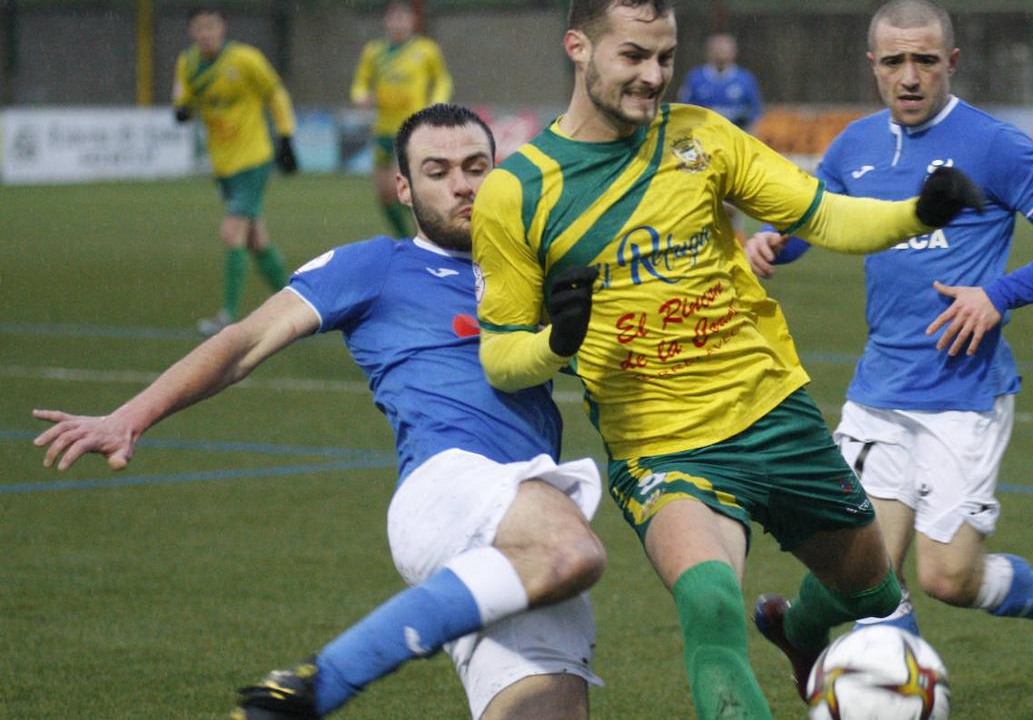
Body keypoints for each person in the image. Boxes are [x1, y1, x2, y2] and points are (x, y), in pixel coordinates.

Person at [470, 0, 981, 719]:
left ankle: (800, 628)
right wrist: (557, 341)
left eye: (664, 58)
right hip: (662, 445)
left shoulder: (702, 139)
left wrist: (918, 213)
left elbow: (823, 216)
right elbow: (501, 356)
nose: (653, 77)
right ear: (578, 48)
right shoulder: (518, 190)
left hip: (773, 413)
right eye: (633, 56)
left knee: (869, 591)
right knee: (708, 601)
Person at [33, 105, 606, 720]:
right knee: (573, 553)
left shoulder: (533, 271)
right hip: (452, 485)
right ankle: (322, 681)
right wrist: (130, 417)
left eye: (476, 167)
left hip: (524, 513)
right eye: (437, 171)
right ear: (404, 189)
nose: (462, 185)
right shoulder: (376, 266)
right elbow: (243, 343)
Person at [745, 0, 1033, 698]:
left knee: (949, 578)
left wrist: (996, 296)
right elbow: (816, 219)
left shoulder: (995, 145)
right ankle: (863, 673)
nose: (909, 76)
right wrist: (774, 242)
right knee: (869, 575)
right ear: (873, 67)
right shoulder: (853, 145)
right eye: (894, 62)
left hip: (964, 394)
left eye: (923, 60)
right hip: (880, 389)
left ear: (951, 62)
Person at [173, 7, 300, 337]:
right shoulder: (187, 63)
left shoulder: (245, 59)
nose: (206, 34)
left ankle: (227, 315)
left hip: (253, 159)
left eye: (211, 27)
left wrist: (286, 136)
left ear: (222, 28)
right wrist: (182, 109)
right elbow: (183, 102)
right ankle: (299, 306)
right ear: (192, 33)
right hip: (224, 165)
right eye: (199, 29)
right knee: (256, 240)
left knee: (233, 232)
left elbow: (275, 93)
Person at [351, 0, 454, 238]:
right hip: (382, 129)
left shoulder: (425, 50)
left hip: (412, 129)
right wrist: (360, 96)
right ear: (386, 21)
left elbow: (442, 79)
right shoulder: (373, 52)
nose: (398, 23)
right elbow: (360, 82)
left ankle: (429, 233)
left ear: (412, 21)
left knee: (402, 188)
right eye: (394, 18)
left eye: (403, 18)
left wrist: (437, 101)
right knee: (384, 196)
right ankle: (406, 238)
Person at [677, 31, 764, 243]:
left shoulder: (745, 80)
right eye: (716, 48)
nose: (720, 52)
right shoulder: (696, 79)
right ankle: (699, 244)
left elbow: (754, 114)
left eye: (725, 48)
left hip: (733, 151)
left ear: (734, 52)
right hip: (702, 151)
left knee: (732, 205)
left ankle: (736, 249)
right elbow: (684, 113)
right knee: (701, 201)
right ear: (708, 51)